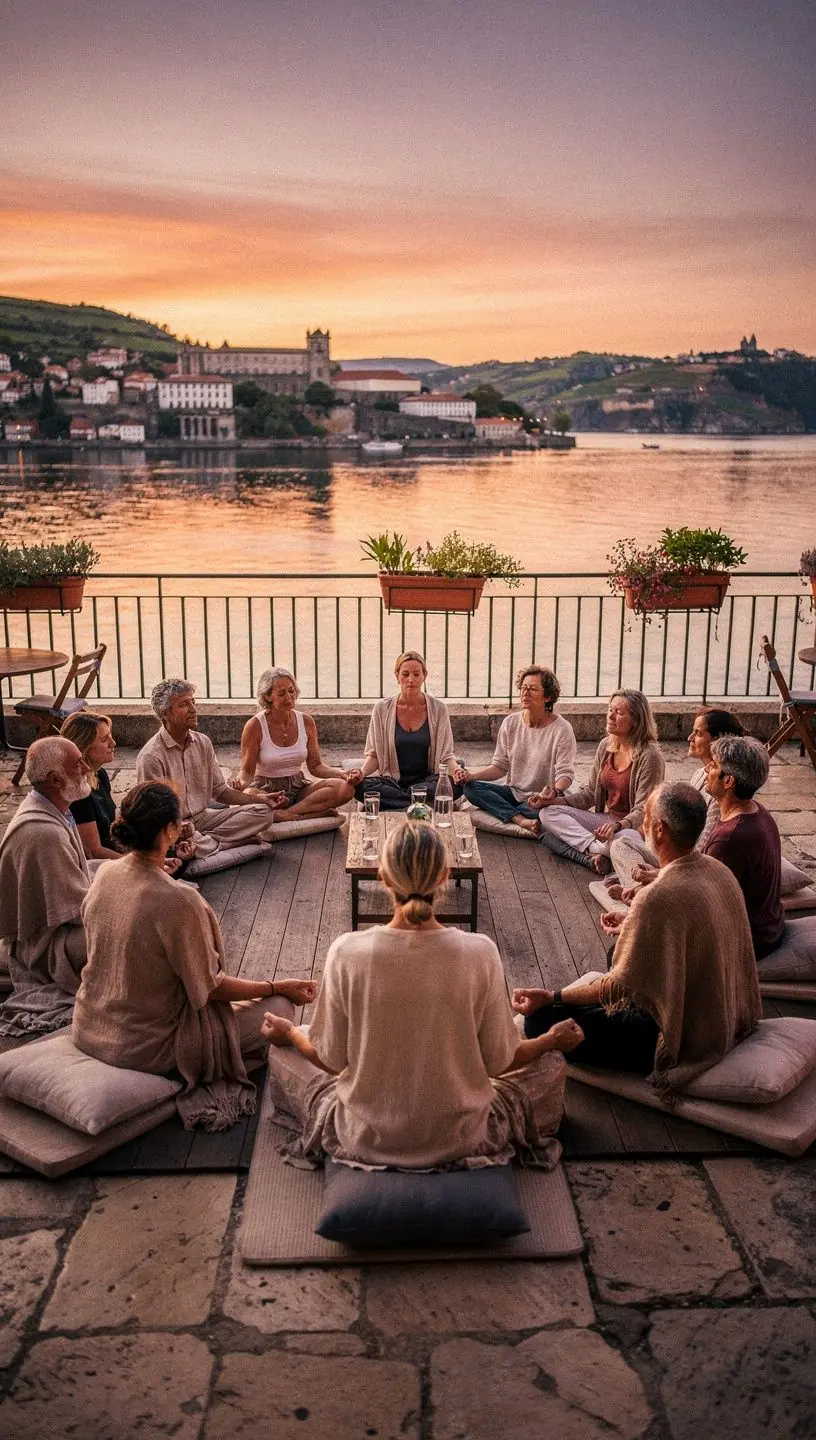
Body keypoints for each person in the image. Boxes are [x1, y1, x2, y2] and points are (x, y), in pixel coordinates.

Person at [262, 822, 584, 1169]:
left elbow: (330, 1060)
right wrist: (550, 1039)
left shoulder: (346, 952)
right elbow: (500, 1062)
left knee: (283, 1054)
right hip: (462, 1139)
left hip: (366, 1137)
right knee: (550, 1064)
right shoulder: (480, 952)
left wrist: (292, 1033)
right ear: (445, 876)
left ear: (383, 877)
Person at [74, 781, 316, 1130]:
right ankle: (223, 1061)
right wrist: (277, 986)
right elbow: (211, 988)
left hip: (90, 1024)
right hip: (146, 1046)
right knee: (280, 1010)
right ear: (171, 830)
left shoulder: (106, 872)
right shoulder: (178, 900)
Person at [514, 783, 762, 1095]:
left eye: (645, 817)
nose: (641, 824)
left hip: (681, 1032)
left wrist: (553, 996)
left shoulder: (657, 896)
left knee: (538, 1022)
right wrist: (633, 924)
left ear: (660, 830)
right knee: (618, 948)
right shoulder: (717, 870)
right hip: (728, 1009)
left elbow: (615, 987)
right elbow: (690, 929)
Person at [0, 737, 92, 1037]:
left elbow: (78, 874)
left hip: (61, 927)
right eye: (78, 764)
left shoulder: (54, 807)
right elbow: (78, 912)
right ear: (55, 779)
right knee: (125, 936)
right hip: (46, 949)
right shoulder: (43, 833)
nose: (86, 768)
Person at [607, 707, 746, 899]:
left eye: (697, 734)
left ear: (716, 741)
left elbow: (699, 855)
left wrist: (655, 872)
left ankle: (638, 893)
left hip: (687, 860)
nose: (689, 738)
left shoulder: (719, 790)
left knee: (630, 847)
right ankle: (640, 887)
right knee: (621, 844)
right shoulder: (699, 774)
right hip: (675, 852)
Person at [136, 677, 285, 856]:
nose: (193, 709)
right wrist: (179, 827)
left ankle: (205, 844)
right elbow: (152, 814)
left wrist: (263, 800)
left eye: (193, 701)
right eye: (184, 705)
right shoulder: (151, 757)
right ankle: (219, 843)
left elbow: (220, 791)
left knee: (263, 812)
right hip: (174, 827)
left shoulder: (202, 742)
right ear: (165, 714)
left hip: (204, 818)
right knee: (169, 841)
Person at [537, 689, 664, 872]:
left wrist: (617, 826)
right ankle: (596, 850)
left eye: (619, 713)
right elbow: (590, 793)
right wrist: (553, 801)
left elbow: (645, 810)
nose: (611, 716)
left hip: (633, 829)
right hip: (606, 822)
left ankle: (592, 854)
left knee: (622, 840)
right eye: (610, 710)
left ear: (636, 720)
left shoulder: (649, 755)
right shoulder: (606, 746)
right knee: (547, 814)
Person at [455, 666, 576, 834]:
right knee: (470, 788)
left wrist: (553, 791)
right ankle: (520, 820)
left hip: (543, 800)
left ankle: (510, 812)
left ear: (547, 697)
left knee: (549, 814)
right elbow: (500, 766)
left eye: (533, 689)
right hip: (514, 792)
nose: (525, 693)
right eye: (523, 688)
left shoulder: (562, 729)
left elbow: (566, 774)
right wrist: (471, 776)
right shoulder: (510, 722)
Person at [234, 668, 359, 821]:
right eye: (281, 694)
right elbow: (247, 772)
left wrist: (343, 774)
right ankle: (306, 815)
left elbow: (315, 766)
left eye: (291, 691)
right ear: (267, 696)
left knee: (345, 789)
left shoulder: (306, 722)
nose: (289, 697)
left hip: (298, 788)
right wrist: (240, 783)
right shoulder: (254, 726)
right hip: (265, 790)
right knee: (248, 797)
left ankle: (286, 815)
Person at [701, 735, 784, 961]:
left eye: (714, 765)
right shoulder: (759, 812)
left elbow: (703, 906)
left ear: (728, 781)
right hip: (767, 930)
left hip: (746, 942)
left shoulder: (729, 839)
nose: (707, 768)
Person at [356, 651, 461, 812]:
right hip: (392, 782)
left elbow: (446, 756)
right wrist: (360, 774)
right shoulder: (381, 709)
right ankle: (420, 804)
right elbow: (374, 755)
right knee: (359, 787)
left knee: (457, 785)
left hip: (427, 780)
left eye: (416, 674)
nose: (411, 680)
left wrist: (458, 772)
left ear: (424, 675)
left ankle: (399, 803)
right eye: (405, 674)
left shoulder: (439, 709)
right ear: (397, 675)